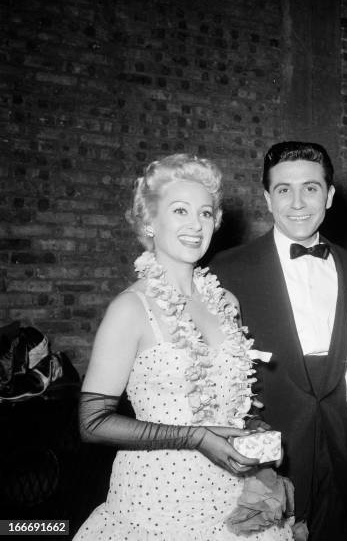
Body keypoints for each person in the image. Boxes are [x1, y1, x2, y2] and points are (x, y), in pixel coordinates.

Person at [74, 154, 293, 540]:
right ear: (148, 221)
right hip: (155, 504)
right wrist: (194, 437)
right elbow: (92, 422)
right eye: (180, 211)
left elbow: (234, 403)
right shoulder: (131, 308)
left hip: (229, 497)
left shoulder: (226, 303)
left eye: (206, 213)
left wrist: (254, 439)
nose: (196, 225)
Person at [211, 141, 347, 541]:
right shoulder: (227, 270)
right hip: (266, 452)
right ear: (267, 198)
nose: (298, 202)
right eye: (284, 189)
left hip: (337, 443)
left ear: (330, 195)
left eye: (311, 188)